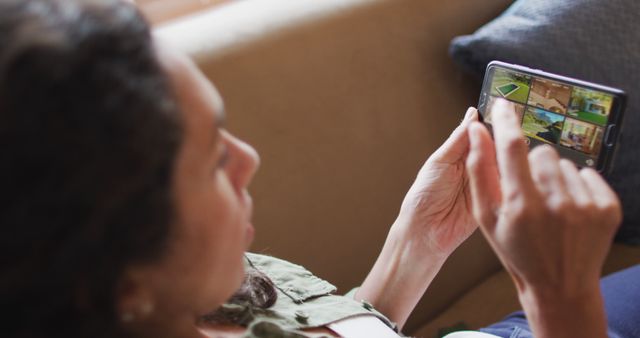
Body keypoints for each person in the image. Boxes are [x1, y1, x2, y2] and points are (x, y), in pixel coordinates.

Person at [0, 1, 635, 338]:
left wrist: (418, 243)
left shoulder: (186, 286)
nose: (247, 158)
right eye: (211, 162)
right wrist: (560, 296)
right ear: (120, 278)